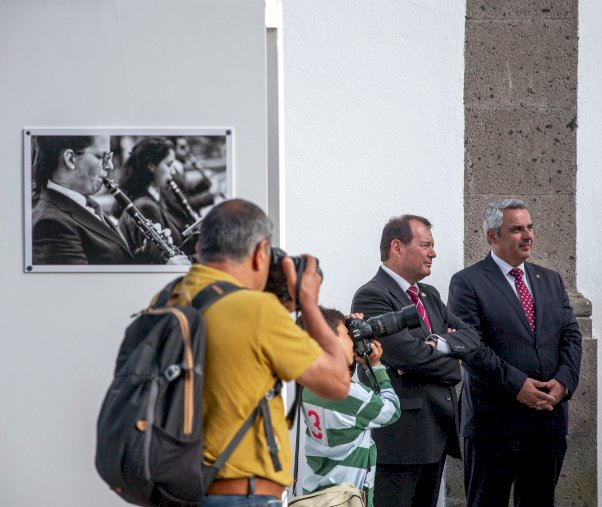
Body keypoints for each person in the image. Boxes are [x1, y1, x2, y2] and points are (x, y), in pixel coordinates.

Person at [162, 199, 351, 507]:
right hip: (241, 494)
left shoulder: (169, 296)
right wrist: (308, 304)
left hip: (178, 489)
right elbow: (337, 382)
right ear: (261, 251)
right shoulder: (256, 312)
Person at [448, 199, 583, 507]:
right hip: (493, 425)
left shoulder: (551, 279)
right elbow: (470, 347)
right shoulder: (467, 282)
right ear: (492, 237)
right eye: (517, 229)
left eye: (530, 227)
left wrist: (563, 382)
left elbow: (571, 336)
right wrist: (517, 386)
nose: (527, 236)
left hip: (547, 421)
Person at [350, 215, 481, 507]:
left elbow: (471, 336)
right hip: (401, 440)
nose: (433, 253)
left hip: (436, 432)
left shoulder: (429, 295)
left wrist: (439, 343)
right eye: (425, 245)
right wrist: (454, 362)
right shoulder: (372, 295)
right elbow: (409, 356)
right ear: (397, 246)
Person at [297, 308, 401, 507]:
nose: (352, 340)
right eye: (347, 335)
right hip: (345, 499)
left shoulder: (308, 384)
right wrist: (376, 366)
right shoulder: (347, 393)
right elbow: (391, 410)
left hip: (317, 494)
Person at [31, 135, 135, 264]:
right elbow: (83, 283)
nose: (110, 166)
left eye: (109, 157)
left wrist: (149, 255)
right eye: (102, 156)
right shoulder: (50, 224)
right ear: (70, 159)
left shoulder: (86, 203)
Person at [115, 137, 195, 257]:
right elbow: (162, 259)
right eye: (168, 165)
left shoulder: (158, 197)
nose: (172, 172)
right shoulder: (145, 206)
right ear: (152, 166)